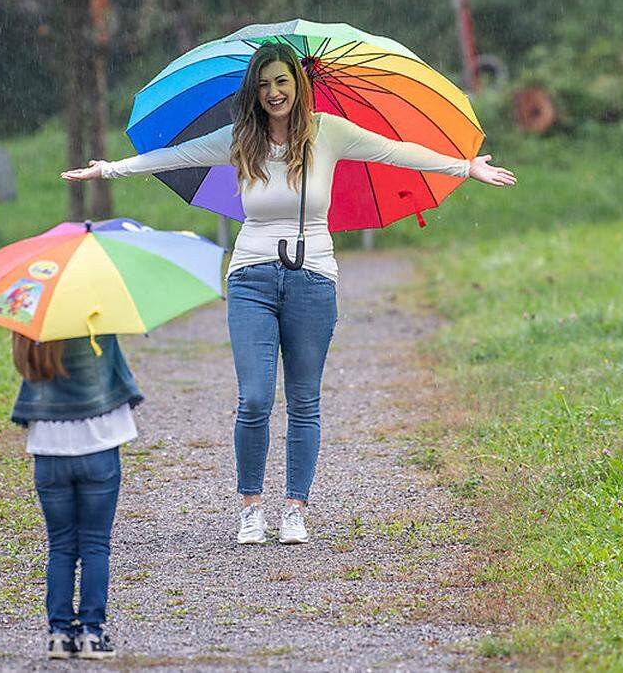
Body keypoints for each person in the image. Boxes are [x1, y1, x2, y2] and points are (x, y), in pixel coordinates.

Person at [61, 43, 514, 546]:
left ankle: (295, 508)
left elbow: (394, 151)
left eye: (281, 82)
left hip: (313, 277)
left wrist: (465, 166)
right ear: (254, 92)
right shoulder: (240, 139)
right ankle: (250, 507)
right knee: (253, 398)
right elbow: (174, 156)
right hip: (251, 276)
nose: (273, 92)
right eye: (263, 84)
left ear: (299, 85)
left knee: (304, 400)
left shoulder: (329, 132)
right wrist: (109, 170)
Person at [10, 331, 144, 659]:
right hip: (98, 448)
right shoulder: (99, 329)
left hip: (49, 453)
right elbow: (120, 381)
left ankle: (58, 634)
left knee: (60, 547)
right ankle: (91, 634)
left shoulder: (30, 333)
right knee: (95, 545)